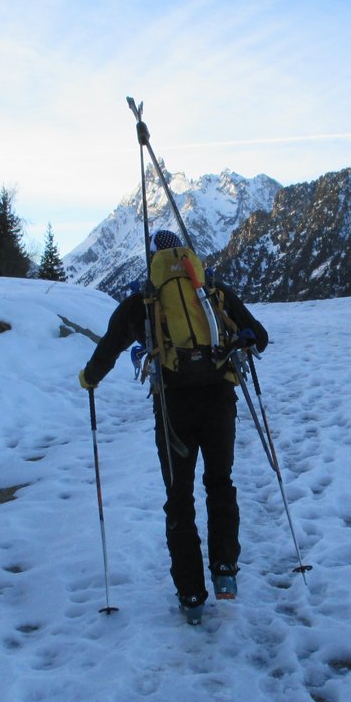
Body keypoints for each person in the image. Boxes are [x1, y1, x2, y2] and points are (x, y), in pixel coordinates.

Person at [79, 230, 269, 625]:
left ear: (152, 259)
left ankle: (191, 595)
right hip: (219, 399)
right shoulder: (213, 290)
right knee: (221, 483)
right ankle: (225, 571)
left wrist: (89, 379)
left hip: (173, 408)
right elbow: (261, 338)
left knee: (179, 496)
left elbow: (110, 346)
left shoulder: (143, 299)